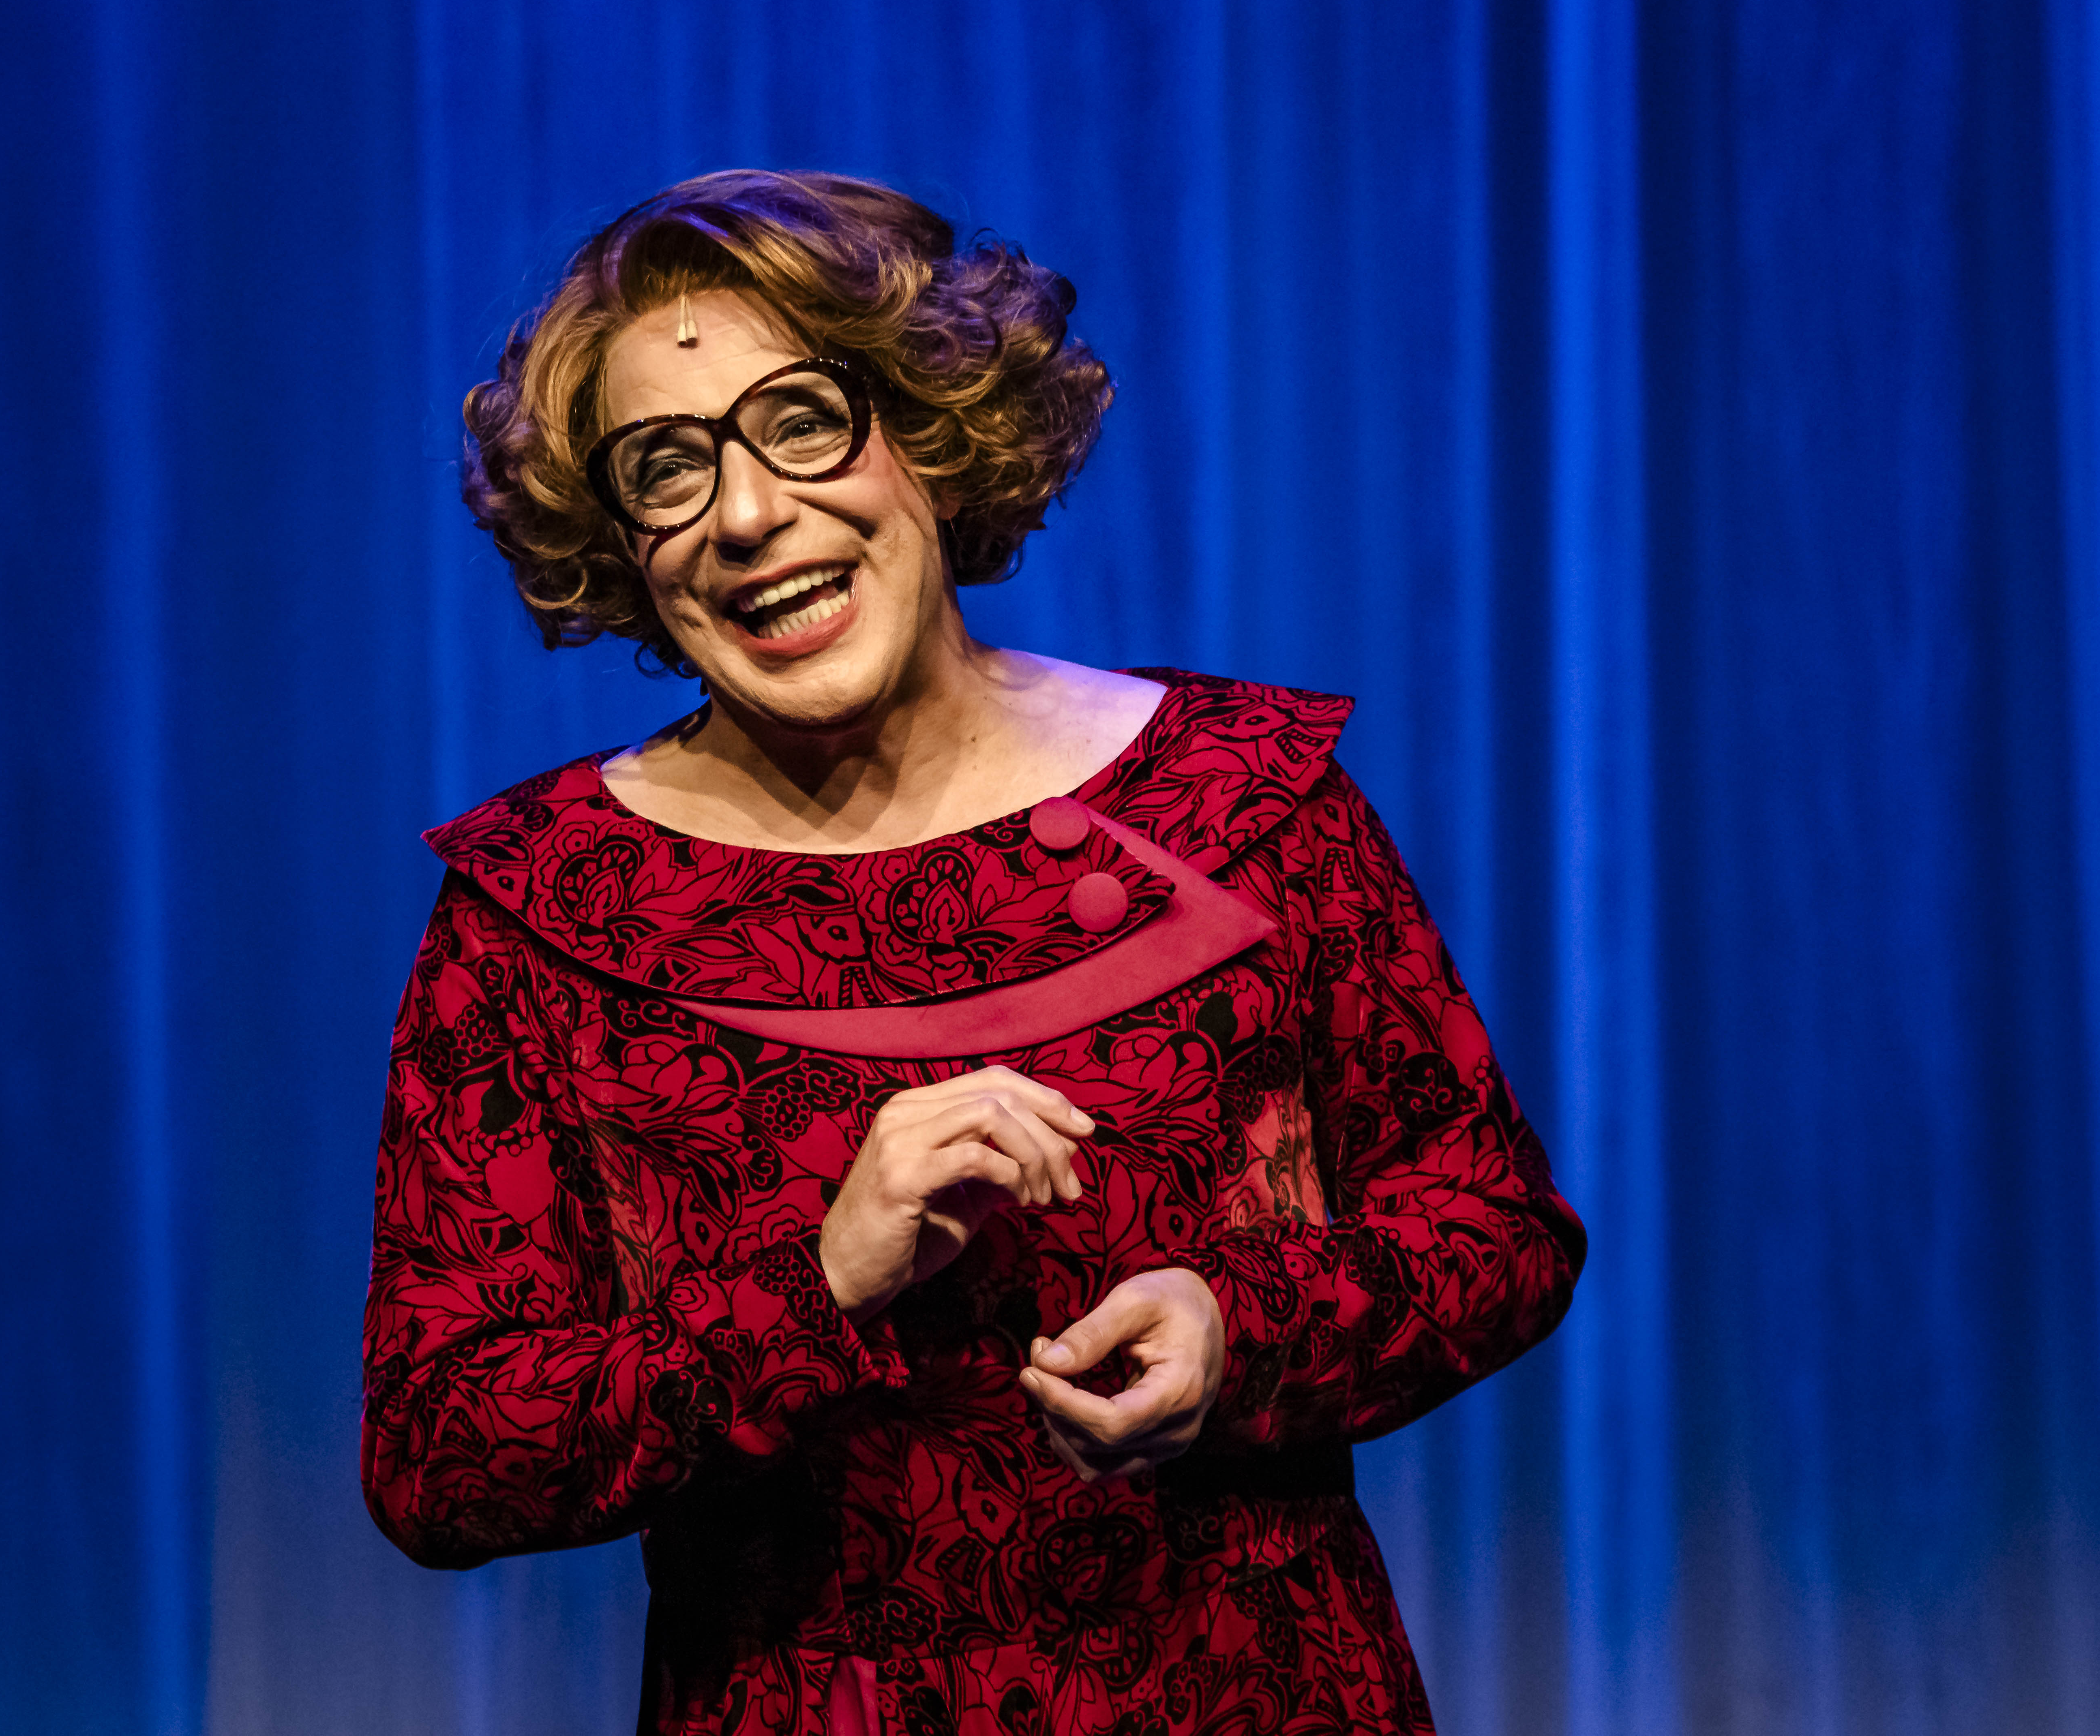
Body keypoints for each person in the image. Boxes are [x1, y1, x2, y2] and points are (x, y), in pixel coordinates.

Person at [361, 169, 1586, 1735]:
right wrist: (812, 1289)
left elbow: (1494, 1229)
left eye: (803, 422)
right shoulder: (547, 912)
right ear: (622, 543)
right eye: (666, 468)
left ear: (933, 431)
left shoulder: (1237, 801)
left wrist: (1245, 1332)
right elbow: (440, 1452)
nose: (747, 515)